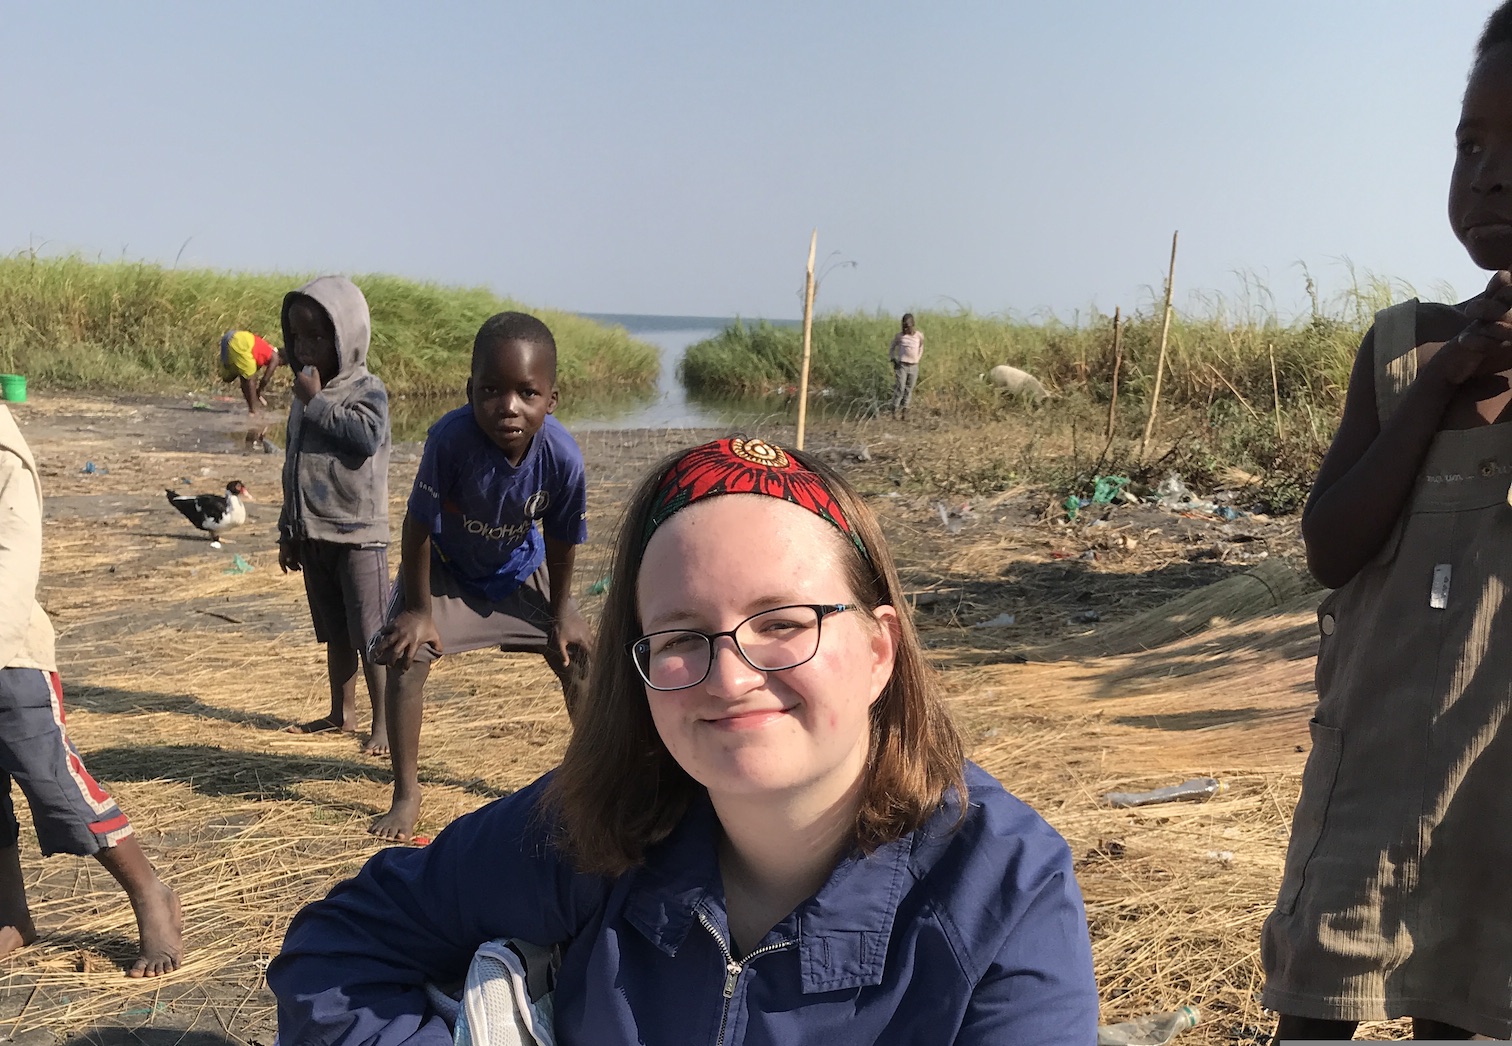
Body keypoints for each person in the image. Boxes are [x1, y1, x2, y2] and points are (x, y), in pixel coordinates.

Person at [269, 435, 1099, 1044]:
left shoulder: (1001, 887)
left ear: (878, 649)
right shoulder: (599, 824)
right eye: (679, 637)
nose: (730, 676)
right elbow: (334, 951)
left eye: (781, 624)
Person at [1261, 6, 1512, 1039]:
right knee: (1319, 1001)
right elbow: (1333, 545)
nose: (1488, 173)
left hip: (1501, 795)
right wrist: (1439, 385)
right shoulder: (1405, 347)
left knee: (1467, 1003)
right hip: (1373, 779)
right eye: (1471, 143)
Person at [367, 312, 593, 842]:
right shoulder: (450, 441)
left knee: (581, 654)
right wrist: (418, 612)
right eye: (491, 390)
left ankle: (591, 780)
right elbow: (418, 525)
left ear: (551, 400)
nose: (507, 407)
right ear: (470, 390)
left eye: (527, 393)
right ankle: (406, 794)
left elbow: (562, 537)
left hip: (520, 567)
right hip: (447, 569)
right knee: (407, 655)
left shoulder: (561, 458)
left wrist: (561, 612)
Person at [0, 403, 182, 977]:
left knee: (54, 781)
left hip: (10, 653)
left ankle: (150, 892)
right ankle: (11, 915)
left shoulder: (4, 452)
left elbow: (16, 552)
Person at [276, 277, 393, 758]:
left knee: (371, 634)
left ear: (348, 336)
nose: (306, 347)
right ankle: (341, 713)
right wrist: (289, 529)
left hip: (358, 534)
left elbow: (364, 437)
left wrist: (317, 401)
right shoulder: (306, 393)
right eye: (298, 336)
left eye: (318, 337)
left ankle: (385, 724)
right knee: (335, 630)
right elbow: (294, 461)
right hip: (315, 532)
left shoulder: (366, 389)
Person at [217, 328, 283, 415]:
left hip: (230, 338)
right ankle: (254, 411)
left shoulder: (265, 351)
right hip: (239, 341)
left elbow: (245, 379)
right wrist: (258, 391)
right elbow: (265, 379)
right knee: (250, 379)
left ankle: (251, 409)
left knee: (232, 378)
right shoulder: (275, 357)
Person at [888, 312, 923, 420]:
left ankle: (905, 412)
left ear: (913, 324)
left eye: (908, 325)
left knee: (909, 389)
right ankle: (894, 410)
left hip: (914, 366)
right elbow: (892, 347)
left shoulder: (919, 336)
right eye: (904, 326)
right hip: (902, 365)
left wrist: (917, 358)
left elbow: (921, 347)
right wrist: (893, 359)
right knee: (900, 388)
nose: (906, 328)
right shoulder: (900, 336)